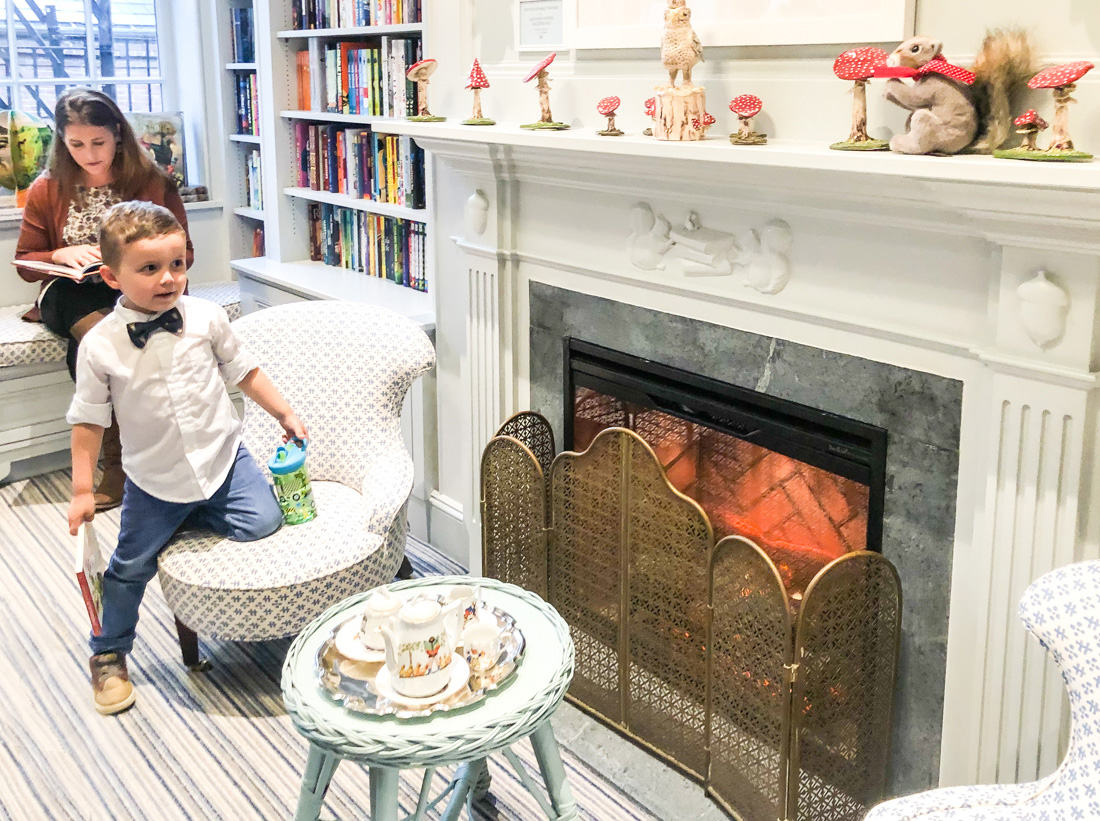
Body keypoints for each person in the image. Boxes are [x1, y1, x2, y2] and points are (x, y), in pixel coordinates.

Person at [65, 201, 306, 716]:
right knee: (127, 568)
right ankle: (108, 652)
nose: (167, 278)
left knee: (264, 523)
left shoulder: (206, 316)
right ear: (111, 276)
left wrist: (284, 412)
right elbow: (87, 421)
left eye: (177, 264)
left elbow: (244, 370)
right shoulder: (101, 346)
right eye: (149, 268)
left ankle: (197, 516)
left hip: (223, 459)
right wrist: (83, 489)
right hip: (155, 479)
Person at [15, 88, 195, 511]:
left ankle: (144, 456)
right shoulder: (47, 188)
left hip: (131, 287)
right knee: (105, 342)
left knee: (103, 344)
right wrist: (60, 253)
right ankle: (119, 465)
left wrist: (143, 266)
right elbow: (25, 262)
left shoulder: (150, 181)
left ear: (117, 133)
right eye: (75, 144)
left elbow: (183, 252)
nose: (89, 154)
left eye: (98, 142)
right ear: (62, 140)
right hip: (69, 291)